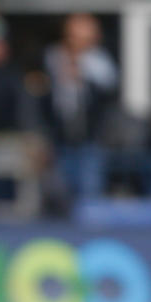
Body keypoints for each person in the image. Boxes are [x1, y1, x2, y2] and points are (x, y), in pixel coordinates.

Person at [40, 13, 118, 202]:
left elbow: (109, 93)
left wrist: (82, 75)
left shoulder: (99, 61)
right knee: (59, 195)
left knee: (90, 194)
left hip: (91, 139)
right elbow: (41, 94)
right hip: (59, 139)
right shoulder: (53, 57)